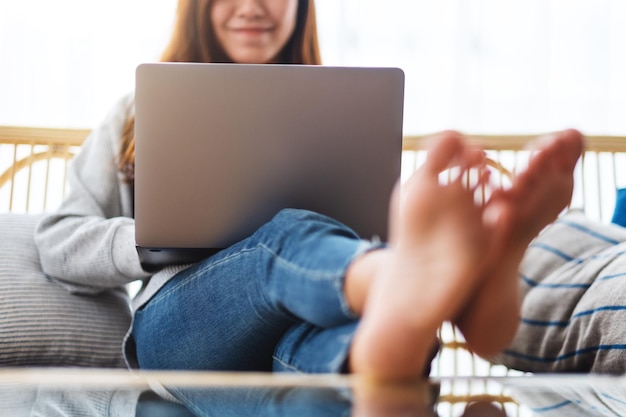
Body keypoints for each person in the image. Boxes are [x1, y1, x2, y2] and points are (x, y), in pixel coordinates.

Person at [34, 0, 584, 387]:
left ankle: (389, 344)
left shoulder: (341, 109)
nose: (252, 6)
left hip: (306, 323)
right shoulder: (139, 111)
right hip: (182, 332)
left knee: (339, 365)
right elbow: (59, 244)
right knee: (285, 237)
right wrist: (156, 239)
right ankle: (433, 282)